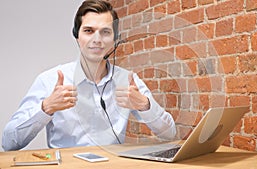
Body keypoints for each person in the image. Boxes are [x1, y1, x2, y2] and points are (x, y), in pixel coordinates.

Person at [2, 0, 176, 151]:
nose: (97, 39)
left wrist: (144, 105)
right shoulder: (49, 80)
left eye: (105, 32)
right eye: (88, 31)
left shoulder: (128, 81)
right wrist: (46, 107)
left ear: (116, 38)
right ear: (77, 35)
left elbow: (170, 134)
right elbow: (9, 143)